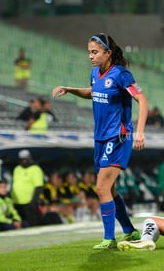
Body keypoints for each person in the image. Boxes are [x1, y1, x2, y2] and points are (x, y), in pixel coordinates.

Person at [52, 33, 149, 249]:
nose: (90, 56)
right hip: (100, 138)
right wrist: (70, 90)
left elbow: (142, 100)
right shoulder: (95, 73)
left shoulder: (122, 74)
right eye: (89, 52)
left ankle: (109, 239)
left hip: (119, 135)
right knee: (110, 190)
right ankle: (130, 231)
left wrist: (140, 131)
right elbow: (93, 92)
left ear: (108, 53)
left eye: (95, 52)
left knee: (101, 188)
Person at [11, 149, 44, 226]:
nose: (23, 161)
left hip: (29, 203)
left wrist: (33, 201)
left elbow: (39, 186)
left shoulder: (35, 169)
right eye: (21, 159)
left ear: (29, 158)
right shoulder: (17, 169)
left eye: (25, 159)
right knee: (20, 224)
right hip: (17, 202)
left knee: (33, 223)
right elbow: (14, 184)